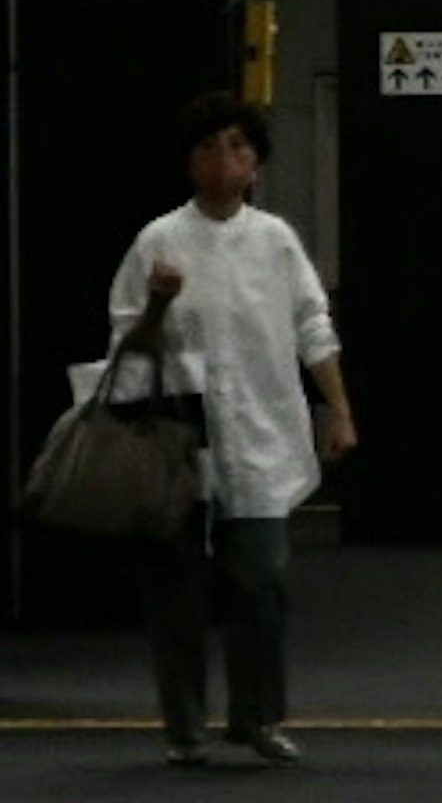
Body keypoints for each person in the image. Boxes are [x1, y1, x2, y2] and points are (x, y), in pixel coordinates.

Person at [105, 94, 355, 764]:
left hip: (261, 432)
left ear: (257, 164)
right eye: (209, 147)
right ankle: (185, 727)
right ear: (189, 162)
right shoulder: (158, 240)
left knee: (261, 578)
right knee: (176, 591)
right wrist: (157, 303)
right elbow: (128, 344)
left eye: (238, 148)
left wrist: (339, 408)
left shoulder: (275, 241)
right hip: (179, 443)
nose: (223, 161)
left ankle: (258, 717)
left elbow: (312, 326)